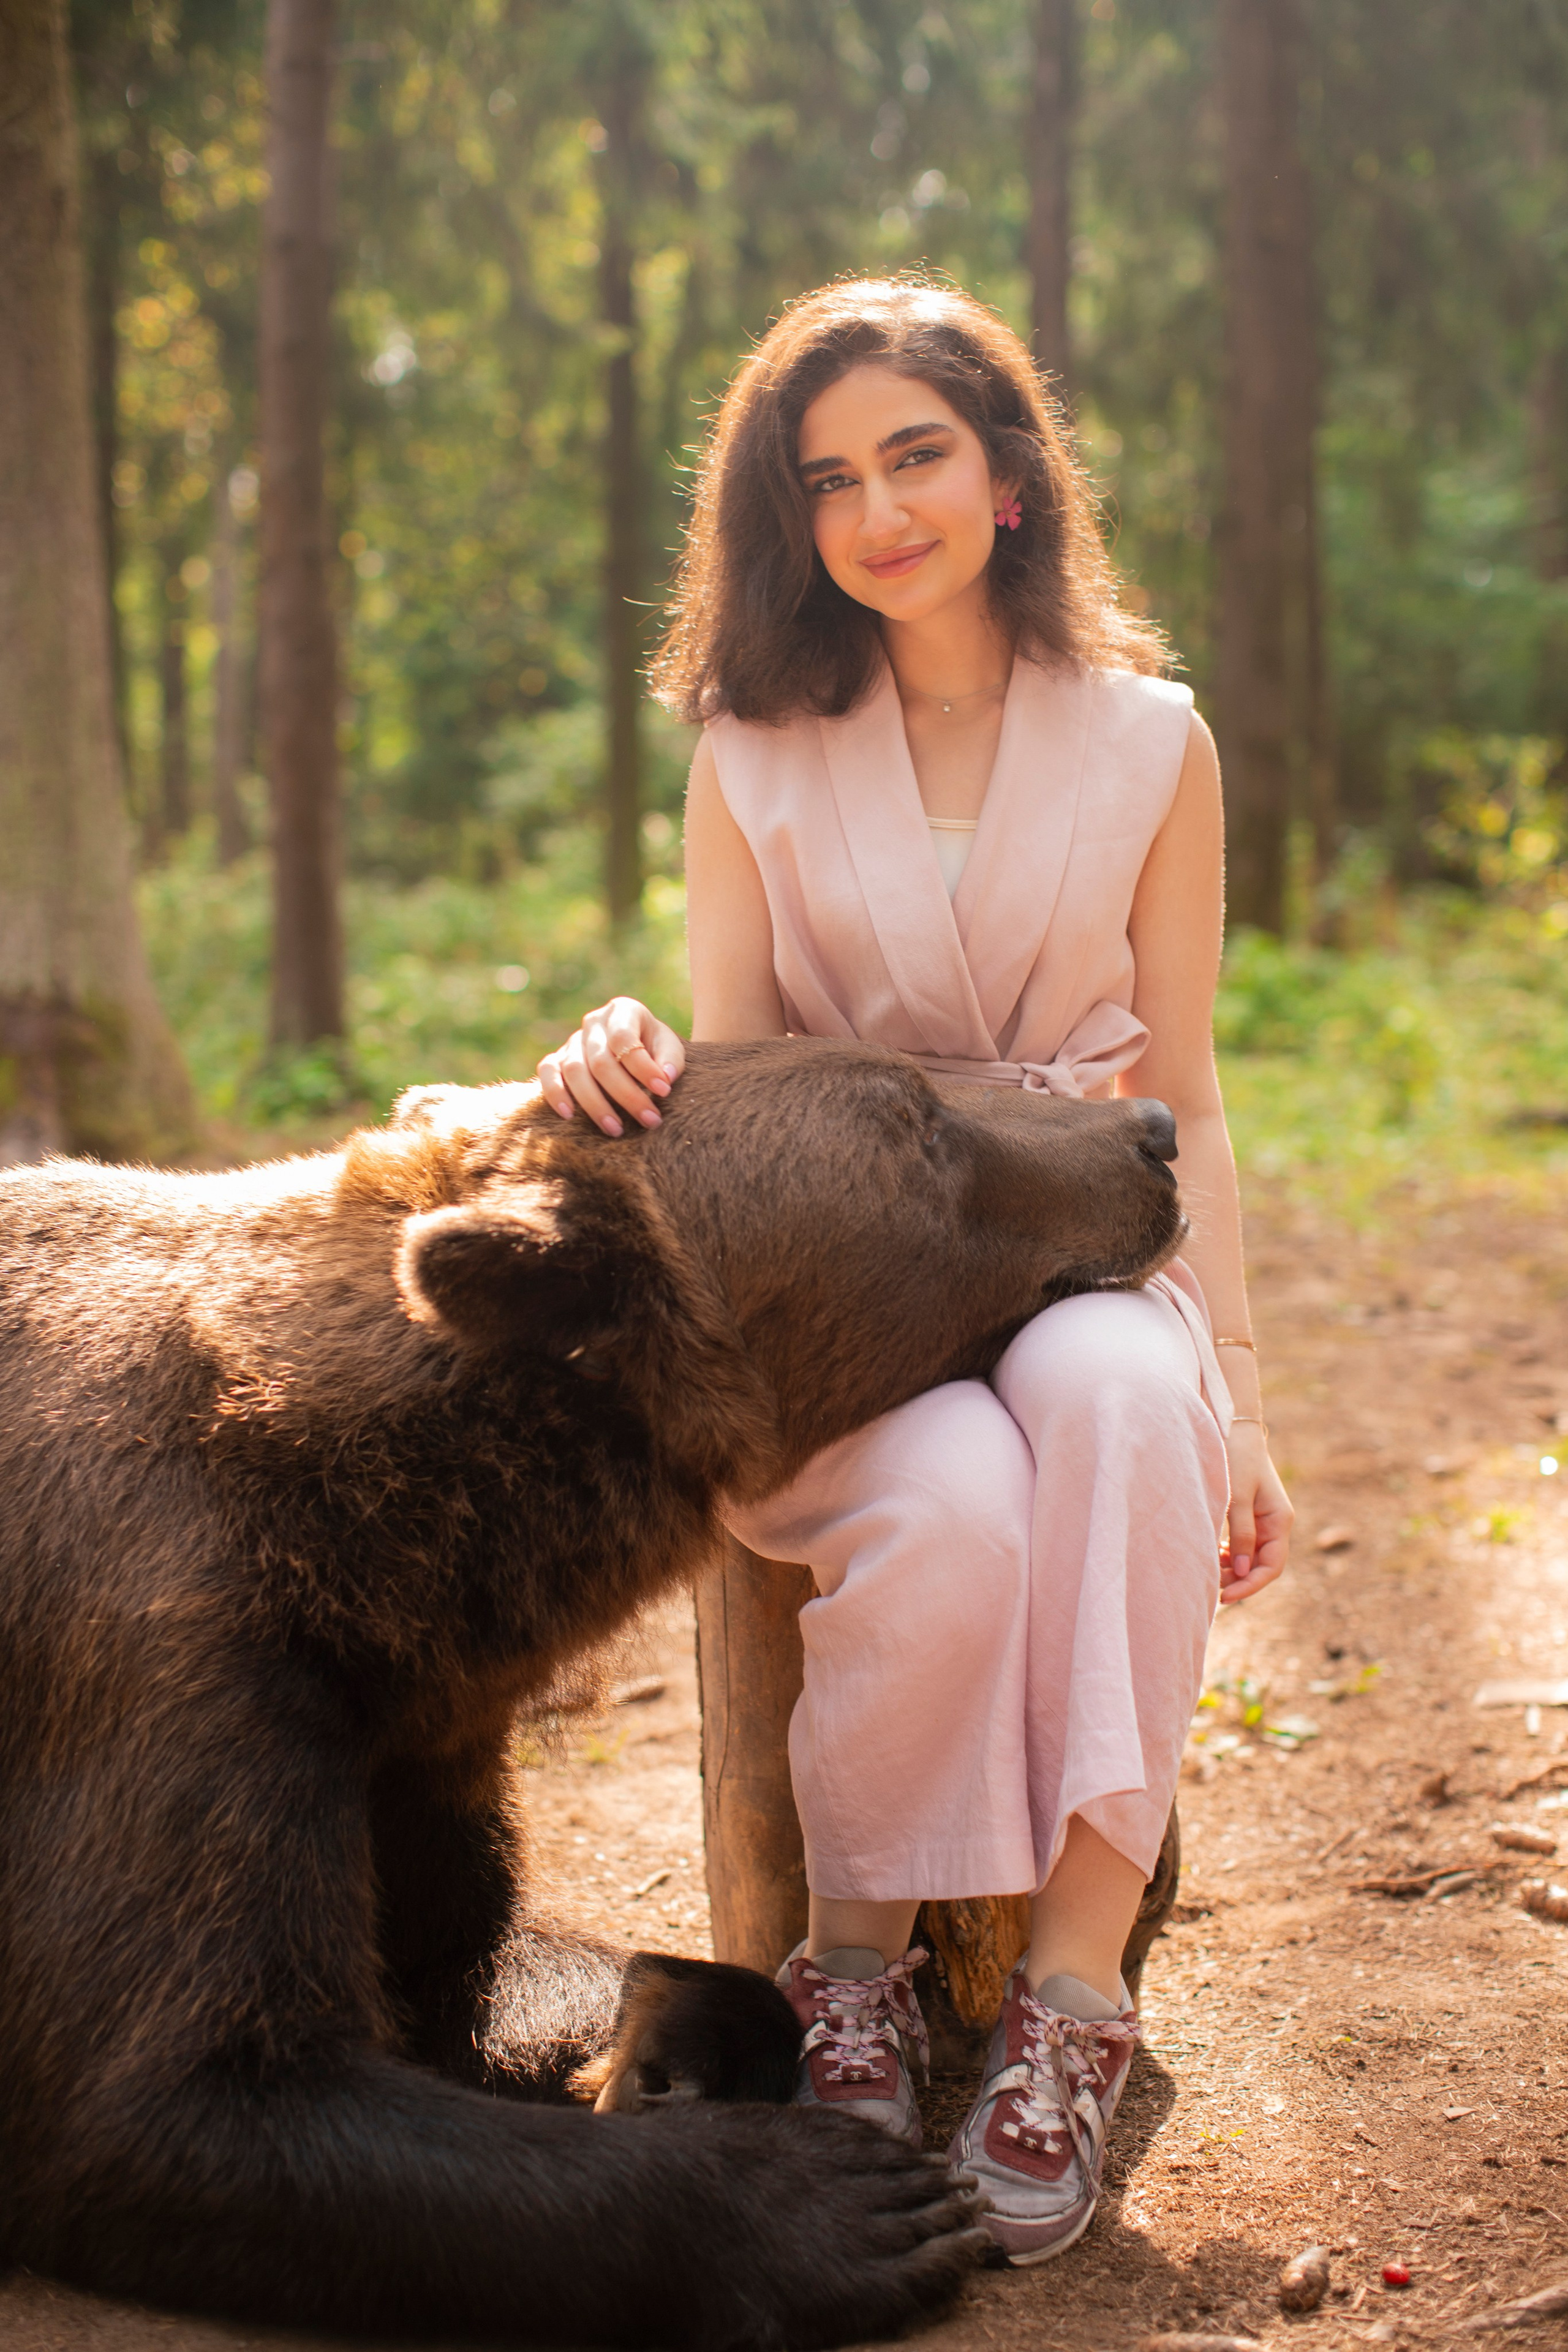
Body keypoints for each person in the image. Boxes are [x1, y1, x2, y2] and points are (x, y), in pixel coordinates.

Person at [537, 277, 1292, 2265]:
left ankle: (1075, 1997)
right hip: (861, 1271)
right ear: (787, 520)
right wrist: (627, 1043)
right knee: (951, 1504)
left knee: (1124, 1411)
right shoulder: (749, 748)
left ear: (1009, 474)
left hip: (1087, 1224)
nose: (877, 511)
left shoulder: (1155, 742)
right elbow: (743, 1081)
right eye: (827, 479)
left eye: (916, 456)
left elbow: (1188, 1089)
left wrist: (1240, 1390)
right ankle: (852, 1975)